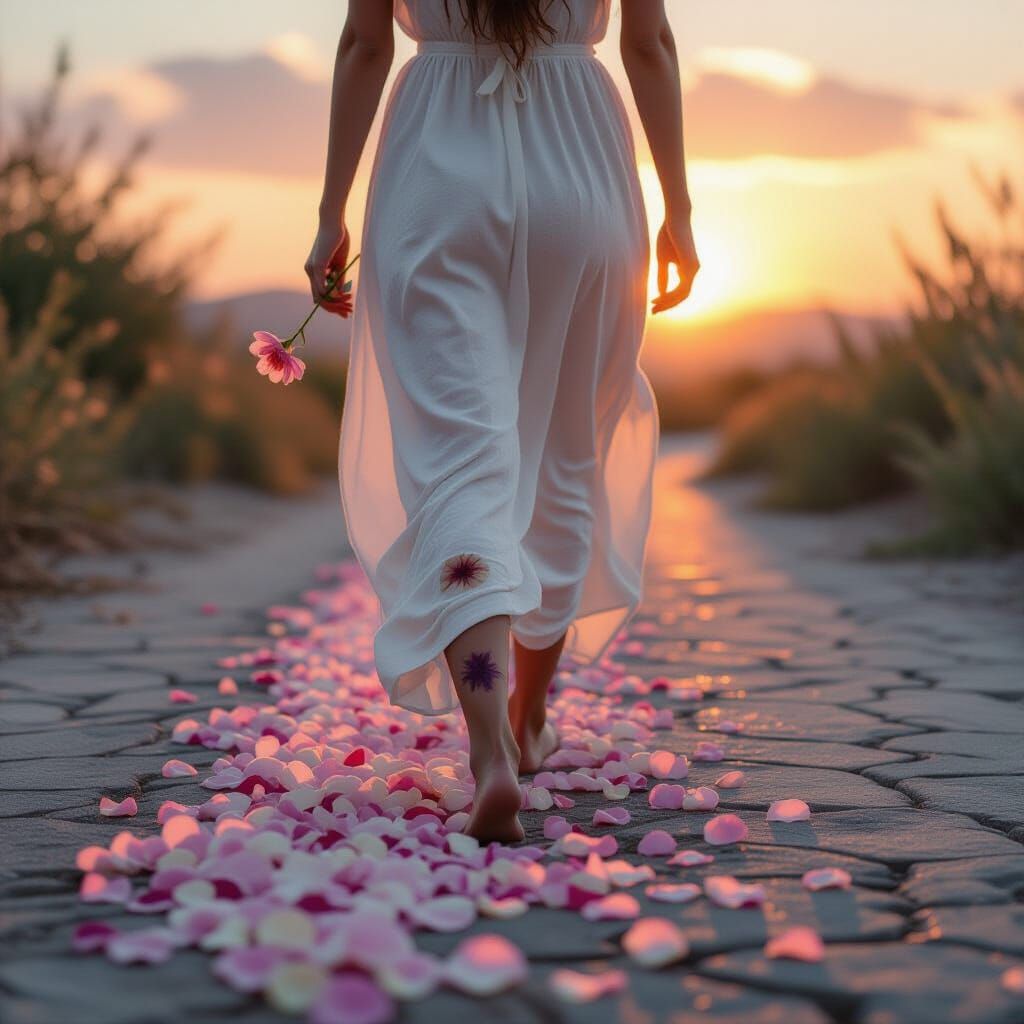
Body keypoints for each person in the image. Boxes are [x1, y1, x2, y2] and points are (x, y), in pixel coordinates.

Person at [305, 0, 698, 843]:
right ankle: (528, 718)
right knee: (565, 454)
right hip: (581, 165)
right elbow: (651, 43)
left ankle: (488, 753)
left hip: (437, 171)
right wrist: (681, 209)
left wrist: (332, 210)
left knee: (462, 463)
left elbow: (365, 44)